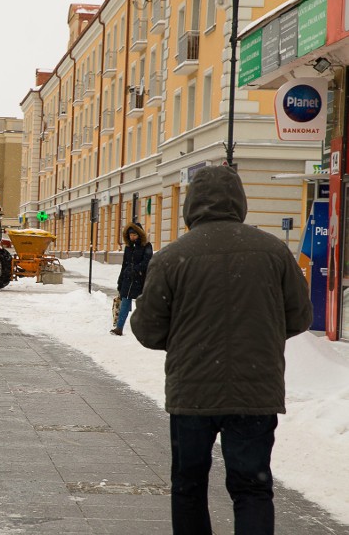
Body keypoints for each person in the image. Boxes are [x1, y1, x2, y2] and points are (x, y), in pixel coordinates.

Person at [130, 166, 312, 535]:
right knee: (252, 488)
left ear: (191, 204)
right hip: (255, 392)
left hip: (192, 393)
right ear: (240, 202)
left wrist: (183, 339)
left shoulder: (172, 257)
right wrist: (263, 336)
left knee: (189, 486)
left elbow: (148, 329)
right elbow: (300, 316)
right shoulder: (274, 252)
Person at [110, 221, 153, 335]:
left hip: (141, 279)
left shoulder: (146, 246)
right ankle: (119, 328)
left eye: (134, 235)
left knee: (143, 305)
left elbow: (147, 261)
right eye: (130, 235)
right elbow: (124, 264)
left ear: (139, 234)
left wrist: (136, 269)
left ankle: (148, 329)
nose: (132, 237)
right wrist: (120, 281)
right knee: (125, 302)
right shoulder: (128, 247)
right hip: (128, 279)